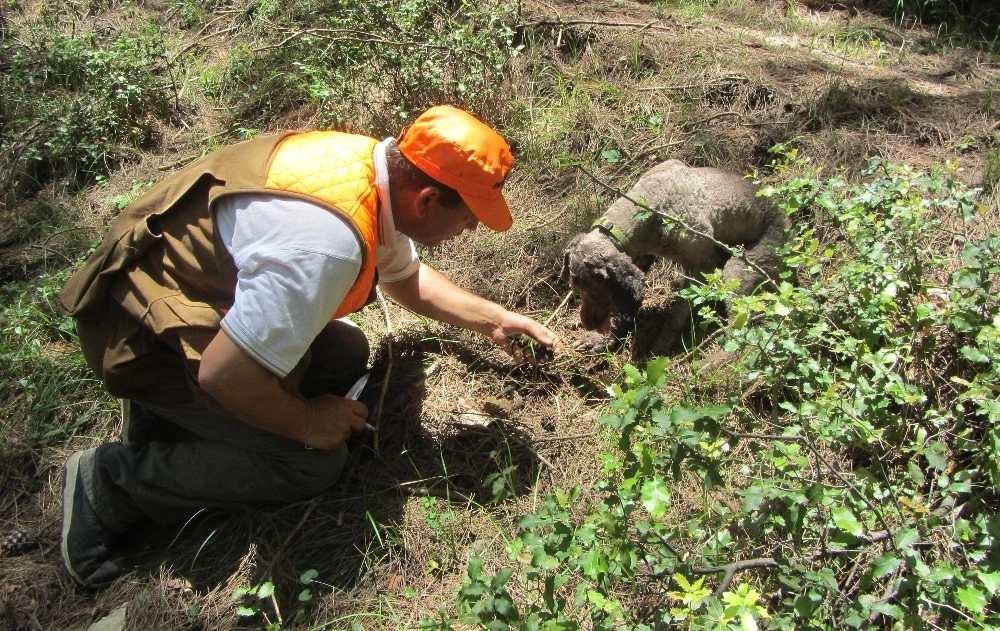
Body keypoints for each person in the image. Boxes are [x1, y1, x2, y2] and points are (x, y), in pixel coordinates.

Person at [57, 105, 559, 587]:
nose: (472, 226)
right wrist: (307, 422)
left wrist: (494, 320)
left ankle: (166, 419)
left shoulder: (369, 170)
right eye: (470, 214)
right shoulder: (327, 244)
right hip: (138, 338)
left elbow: (403, 278)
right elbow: (223, 375)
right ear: (426, 199)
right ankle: (108, 485)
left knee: (343, 352)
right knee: (308, 464)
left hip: (176, 289)